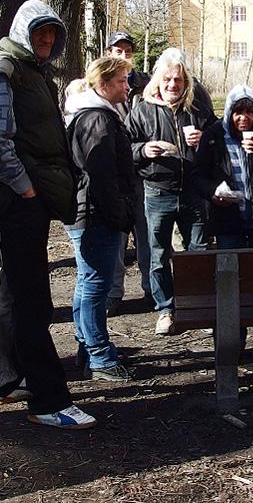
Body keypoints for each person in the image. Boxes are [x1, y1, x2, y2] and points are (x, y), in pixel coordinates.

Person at [0, 0, 96, 430]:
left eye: (52, 34)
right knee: (31, 300)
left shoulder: (32, 73)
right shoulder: (5, 72)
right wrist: (25, 188)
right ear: (24, 31)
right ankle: (48, 400)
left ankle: (5, 380)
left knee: (13, 290)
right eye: (39, 31)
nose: (46, 39)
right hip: (15, 202)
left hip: (25, 201)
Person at [126, 48, 216, 335]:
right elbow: (123, 147)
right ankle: (166, 309)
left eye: (178, 80)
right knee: (158, 255)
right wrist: (142, 150)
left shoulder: (197, 109)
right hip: (157, 192)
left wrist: (204, 140)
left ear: (186, 81)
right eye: (167, 79)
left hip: (193, 190)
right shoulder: (142, 109)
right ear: (157, 80)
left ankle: (198, 306)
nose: (172, 85)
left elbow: (219, 144)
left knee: (199, 253)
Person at [192, 84, 253, 360]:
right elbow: (198, 175)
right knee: (229, 285)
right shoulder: (213, 137)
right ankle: (232, 342)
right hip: (228, 220)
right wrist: (213, 192)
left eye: (249, 112)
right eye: (237, 112)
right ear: (228, 113)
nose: (243, 118)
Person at [66, 57, 135, 381]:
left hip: (87, 213)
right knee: (95, 285)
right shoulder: (98, 120)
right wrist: (120, 215)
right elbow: (103, 176)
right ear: (103, 85)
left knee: (86, 283)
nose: (127, 86)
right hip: (96, 215)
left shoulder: (93, 115)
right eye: (121, 80)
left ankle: (88, 349)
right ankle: (99, 357)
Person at [104, 31, 151, 315]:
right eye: (118, 51)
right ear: (109, 52)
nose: (123, 56)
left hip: (144, 173)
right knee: (115, 239)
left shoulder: (146, 85)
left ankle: (152, 288)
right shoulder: (100, 86)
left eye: (128, 51)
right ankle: (113, 293)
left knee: (147, 236)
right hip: (115, 175)